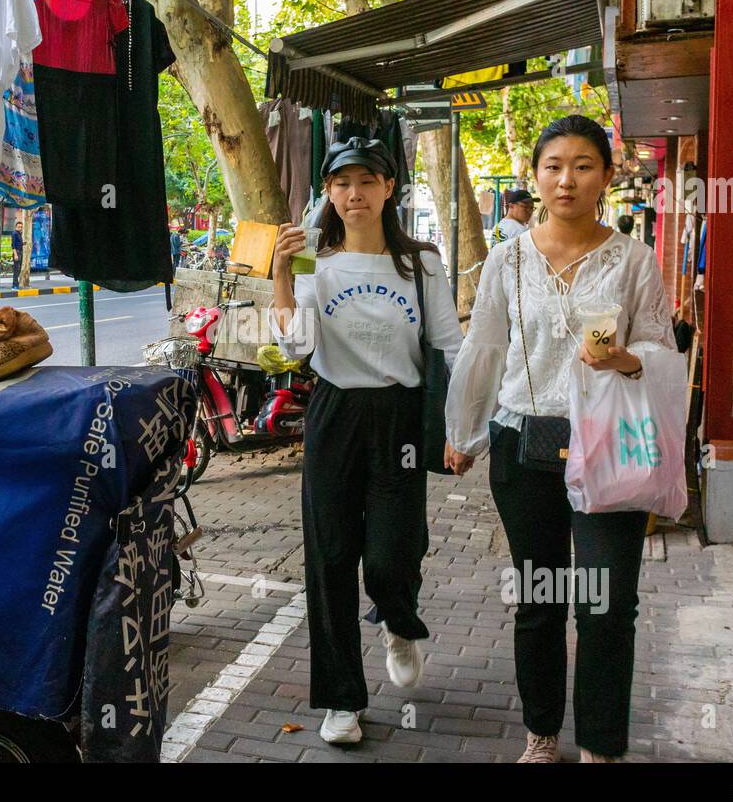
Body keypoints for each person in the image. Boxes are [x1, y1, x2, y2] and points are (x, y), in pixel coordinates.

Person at [443, 115, 679, 763]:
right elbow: (486, 346)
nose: (566, 178)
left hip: (610, 443)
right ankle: (542, 736)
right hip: (524, 442)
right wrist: (464, 430)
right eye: (553, 165)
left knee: (606, 605)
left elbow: (662, 348)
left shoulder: (633, 259)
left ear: (606, 175)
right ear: (535, 175)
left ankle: (602, 747)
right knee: (539, 598)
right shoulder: (508, 259)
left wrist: (627, 359)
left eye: (582, 165)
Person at [269, 136, 463, 746]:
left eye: (367, 181)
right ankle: (340, 701)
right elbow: (296, 346)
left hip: (402, 416)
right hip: (335, 413)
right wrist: (281, 274)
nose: (354, 194)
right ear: (328, 192)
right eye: (342, 183)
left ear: (389, 189)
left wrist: (461, 427)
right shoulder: (315, 263)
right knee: (329, 558)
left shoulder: (421, 263)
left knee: (392, 551)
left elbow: (450, 345)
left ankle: (399, 621)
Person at [12, 220, 25, 288]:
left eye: (21, 227)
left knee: (19, 269)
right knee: (16, 269)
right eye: (18, 227)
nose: (20, 228)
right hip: (17, 252)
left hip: (20, 251)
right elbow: (13, 245)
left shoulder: (19, 234)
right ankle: (14, 285)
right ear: (16, 227)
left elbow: (18, 243)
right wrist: (15, 254)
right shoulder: (15, 234)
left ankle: (16, 284)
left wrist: (23, 243)